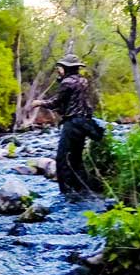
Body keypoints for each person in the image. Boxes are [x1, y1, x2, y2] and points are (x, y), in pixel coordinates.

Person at [43, 48, 103, 195]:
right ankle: (82, 189)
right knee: (76, 158)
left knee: (62, 159)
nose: (58, 69)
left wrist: (39, 103)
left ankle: (67, 192)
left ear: (66, 68)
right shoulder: (83, 81)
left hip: (72, 123)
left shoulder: (67, 82)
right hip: (84, 124)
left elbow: (56, 102)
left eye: (60, 67)